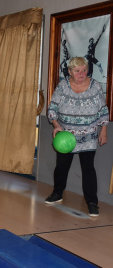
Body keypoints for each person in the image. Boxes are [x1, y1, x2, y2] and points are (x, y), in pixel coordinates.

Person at [45, 57, 109, 217]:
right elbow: (52, 108)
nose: (81, 73)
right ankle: (57, 193)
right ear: (70, 72)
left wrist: (104, 130)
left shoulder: (95, 86)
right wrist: (56, 125)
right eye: (77, 70)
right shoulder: (62, 86)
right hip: (66, 135)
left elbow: (102, 109)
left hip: (88, 135)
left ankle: (92, 203)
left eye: (84, 70)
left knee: (88, 169)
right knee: (61, 167)